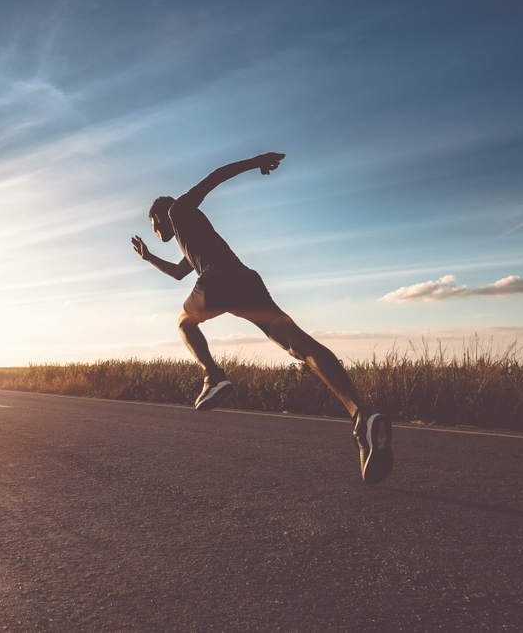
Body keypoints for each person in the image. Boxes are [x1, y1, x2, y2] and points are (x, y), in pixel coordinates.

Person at [131, 153, 393, 484]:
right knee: (299, 345)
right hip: (246, 282)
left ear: (158, 216)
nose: (154, 231)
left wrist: (258, 162)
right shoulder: (190, 239)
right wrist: (149, 257)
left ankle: (213, 376)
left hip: (219, 279)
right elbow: (179, 272)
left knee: (184, 322)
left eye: (152, 225)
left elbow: (214, 177)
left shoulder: (177, 210)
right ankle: (362, 416)